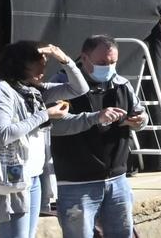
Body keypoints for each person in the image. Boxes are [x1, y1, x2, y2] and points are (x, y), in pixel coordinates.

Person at [0, 42, 84, 238]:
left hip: (34, 174)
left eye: (44, 67)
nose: (43, 72)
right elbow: (2, 135)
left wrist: (64, 59)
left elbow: (79, 89)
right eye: (38, 67)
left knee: (28, 234)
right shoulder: (0, 90)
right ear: (20, 65)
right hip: (12, 172)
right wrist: (45, 115)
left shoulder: (34, 90)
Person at [49, 36, 147, 238]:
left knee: (122, 233)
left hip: (117, 178)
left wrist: (140, 121)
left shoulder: (121, 84)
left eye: (113, 62)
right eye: (102, 63)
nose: (108, 67)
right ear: (84, 58)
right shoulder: (61, 84)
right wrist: (96, 118)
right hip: (77, 181)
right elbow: (55, 126)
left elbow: (140, 113)